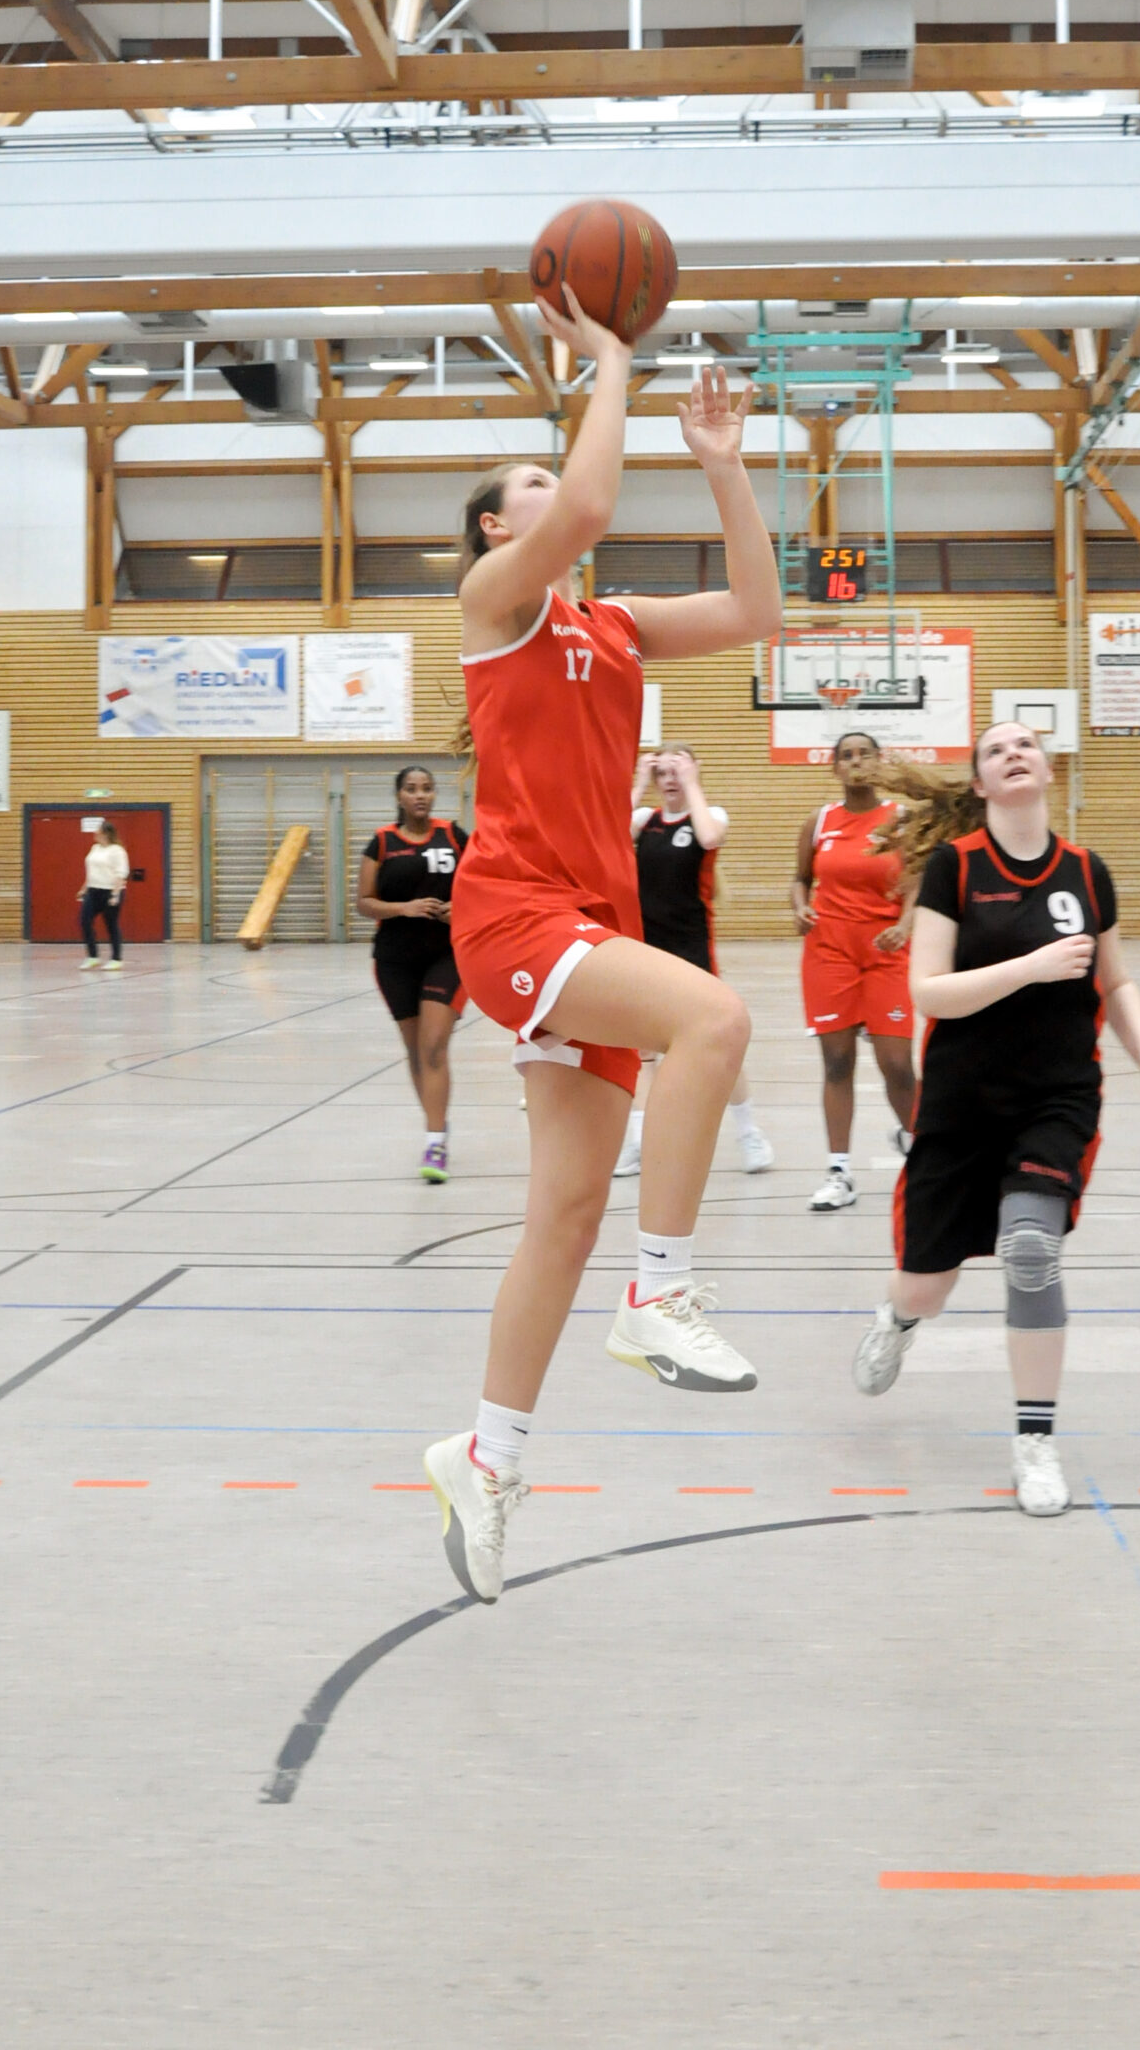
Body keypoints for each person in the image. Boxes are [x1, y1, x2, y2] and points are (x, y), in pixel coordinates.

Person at [422, 286, 784, 1604]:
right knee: (715, 1018)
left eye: (548, 465)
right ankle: (661, 1293)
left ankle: (485, 1457)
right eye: (525, 478)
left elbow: (756, 611)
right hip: (516, 913)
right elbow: (583, 505)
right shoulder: (495, 600)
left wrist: (724, 465)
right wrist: (613, 360)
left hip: (592, 919)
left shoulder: (615, 624)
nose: (552, 483)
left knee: (566, 1214)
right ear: (492, 526)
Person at [850, 723, 1140, 1517]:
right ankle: (898, 1319)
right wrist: (1031, 967)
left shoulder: (1086, 870)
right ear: (981, 783)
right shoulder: (955, 867)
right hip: (962, 1103)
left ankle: (1035, 1441)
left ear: (1047, 768)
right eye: (997, 749)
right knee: (926, 1287)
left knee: (1032, 1250)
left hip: (1056, 1096)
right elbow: (928, 991)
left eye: (1026, 743)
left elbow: (1116, 980)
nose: (1014, 753)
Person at [614, 743, 775, 1181]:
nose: (669, 779)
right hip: (646, 947)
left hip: (692, 948)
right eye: (662, 772)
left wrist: (692, 782)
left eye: (676, 770)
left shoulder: (710, 815)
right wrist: (639, 781)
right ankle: (638, 1144)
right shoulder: (643, 820)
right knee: (642, 1050)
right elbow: (607, 832)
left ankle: (749, 1133)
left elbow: (709, 838)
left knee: (717, 1041)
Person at [792, 727, 919, 1213]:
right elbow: (800, 879)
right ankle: (839, 1172)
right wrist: (800, 907)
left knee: (897, 1065)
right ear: (835, 767)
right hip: (830, 952)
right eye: (847, 755)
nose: (856, 761)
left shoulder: (901, 819)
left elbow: (916, 883)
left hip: (886, 952)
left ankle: (920, 1145)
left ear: (879, 762)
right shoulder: (820, 821)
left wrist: (905, 925)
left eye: (865, 753)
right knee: (838, 1062)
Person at [357, 765, 470, 1183]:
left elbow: (483, 885)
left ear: (434, 794)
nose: (420, 795)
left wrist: (462, 908)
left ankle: (435, 1142)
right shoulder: (383, 842)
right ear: (399, 796)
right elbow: (364, 902)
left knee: (434, 1045)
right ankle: (436, 1123)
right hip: (395, 960)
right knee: (416, 1050)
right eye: (411, 789)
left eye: (427, 788)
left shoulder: (454, 836)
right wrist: (404, 908)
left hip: (448, 955)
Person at [78, 822, 129, 971]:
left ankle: (116, 959)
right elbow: (92, 871)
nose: (95, 834)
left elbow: (121, 873)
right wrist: (83, 889)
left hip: (110, 891)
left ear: (106, 834)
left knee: (111, 924)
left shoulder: (117, 851)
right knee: (84, 921)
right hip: (93, 891)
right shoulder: (95, 848)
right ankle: (93, 956)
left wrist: (115, 894)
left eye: (98, 831)